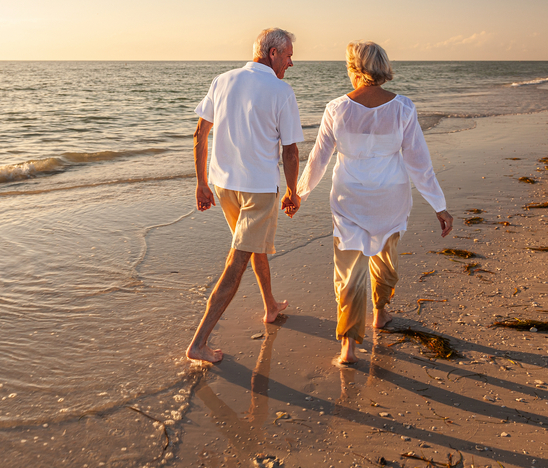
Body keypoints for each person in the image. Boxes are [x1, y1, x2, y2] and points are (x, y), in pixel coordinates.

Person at [297, 41, 453, 365]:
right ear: (382, 67)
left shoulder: (336, 109)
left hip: (348, 198)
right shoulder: (404, 108)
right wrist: (439, 205)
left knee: (349, 272)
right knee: (385, 259)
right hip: (390, 199)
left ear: (355, 69)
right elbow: (419, 163)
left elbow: (318, 162)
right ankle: (380, 314)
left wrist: (298, 194)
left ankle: (349, 347)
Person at [185, 28, 305, 364]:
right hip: (258, 190)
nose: (291, 62)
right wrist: (293, 191)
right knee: (238, 260)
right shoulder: (281, 91)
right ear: (273, 54)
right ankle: (199, 342)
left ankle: (269, 305)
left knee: (254, 246)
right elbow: (291, 151)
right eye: (289, 55)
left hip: (224, 186)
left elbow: (199, 134)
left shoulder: (222, 80)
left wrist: (202, 183)